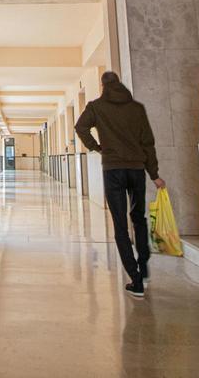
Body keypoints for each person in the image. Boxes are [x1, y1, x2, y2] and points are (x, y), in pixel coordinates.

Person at [74, 71, 164, 298]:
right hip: (136, 169)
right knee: (139, 218)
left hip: (113, 169)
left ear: (103, 86)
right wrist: (154, 174)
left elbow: (80, 127)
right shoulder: (137, 108)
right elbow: (148, 143)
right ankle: (143, 267)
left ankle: (134, 278)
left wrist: (97, 147)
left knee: (120, 224)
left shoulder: (96, 107)